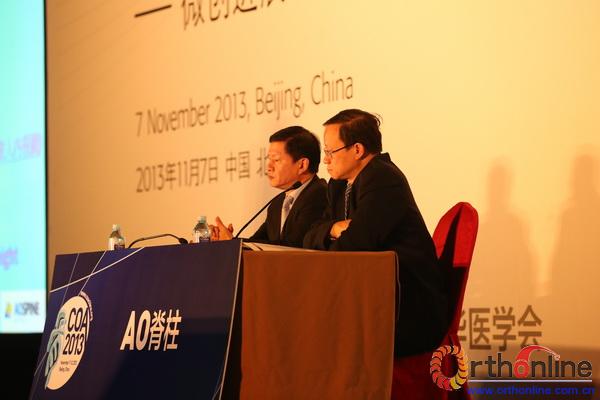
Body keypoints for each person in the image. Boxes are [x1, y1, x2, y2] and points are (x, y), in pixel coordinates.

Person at [303, 109, 447, 357]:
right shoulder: (338, 186)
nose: (325, 160)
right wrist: (335, 228)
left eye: (330, 151)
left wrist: (334, 236)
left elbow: (356, 245)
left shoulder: (382, 178)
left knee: (319, 334)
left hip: (407, 307)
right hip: (368, 300)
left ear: (357, 150)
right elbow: (310, 236)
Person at [212, 126, 327, 248]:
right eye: (269, 159)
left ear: (302, 165)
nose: (269, 167)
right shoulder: (277, 204)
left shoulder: (319, 195)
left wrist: (232, 242)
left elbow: (293, 247)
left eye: (276, 160)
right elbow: (257, 243)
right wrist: (229, 241)